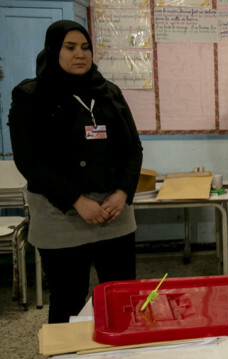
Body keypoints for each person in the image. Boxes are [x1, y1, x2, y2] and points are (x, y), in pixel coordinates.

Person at [8, 20, 143, 323]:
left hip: (113, 212)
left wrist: (123, 192)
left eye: (85, 47)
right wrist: (76, 200)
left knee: (122, 296)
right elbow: (29, 162)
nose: (79, 54)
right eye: (70, 47)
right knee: (69, 298)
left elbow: (133, 149)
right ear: (54, 50)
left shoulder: (108, 92)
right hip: (61, 214)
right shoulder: (31, 96)